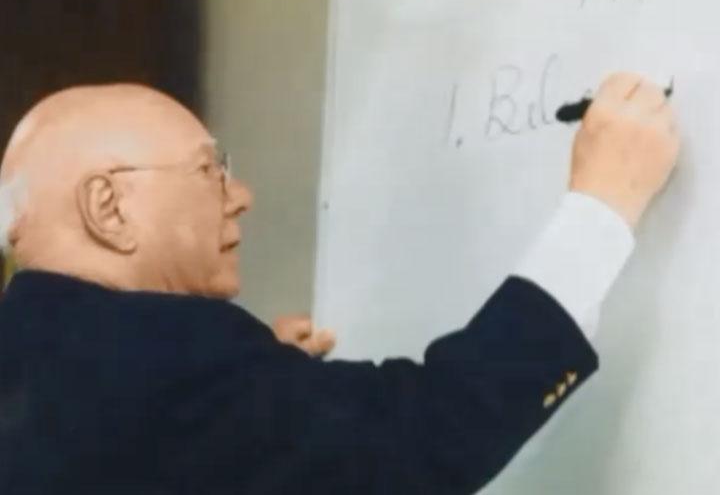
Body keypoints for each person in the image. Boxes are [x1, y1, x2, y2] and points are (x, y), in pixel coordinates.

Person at [0, 74, 678, 494]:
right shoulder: (166, 366)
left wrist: (263, 389)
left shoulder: (44, 359)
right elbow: (431, 432)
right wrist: (599, 208)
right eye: (210, 169)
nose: (241, 195)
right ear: (109, 208)